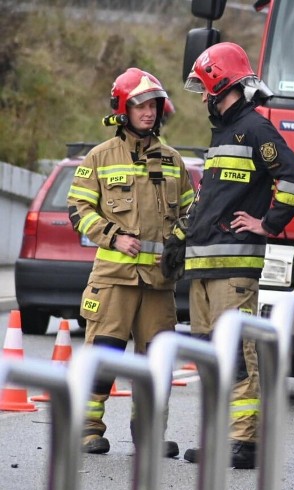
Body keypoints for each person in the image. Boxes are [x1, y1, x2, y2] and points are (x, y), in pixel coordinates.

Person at [179, 42, 294, 469]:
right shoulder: (222, 136)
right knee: (208, 354)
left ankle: (244, 442)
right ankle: (222, 437)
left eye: (204, 88)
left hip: (233, 270)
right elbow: (210, 202)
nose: (201, 97)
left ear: (220, 86)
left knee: (236, 354)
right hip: (203, 266)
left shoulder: (255, 129)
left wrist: (268, 223)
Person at [67, 68, 196, 456]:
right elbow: (78, 207)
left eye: (154, 105)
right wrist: (111, 235)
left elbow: (194, 210)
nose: (148, 112)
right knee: (103, 354)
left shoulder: (174, 161)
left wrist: (181, 238)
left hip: (159, 283)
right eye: (140, 104)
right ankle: (88, 429)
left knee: (156, 362)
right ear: (123, 108)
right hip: (114, 278)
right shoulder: (100, 157)